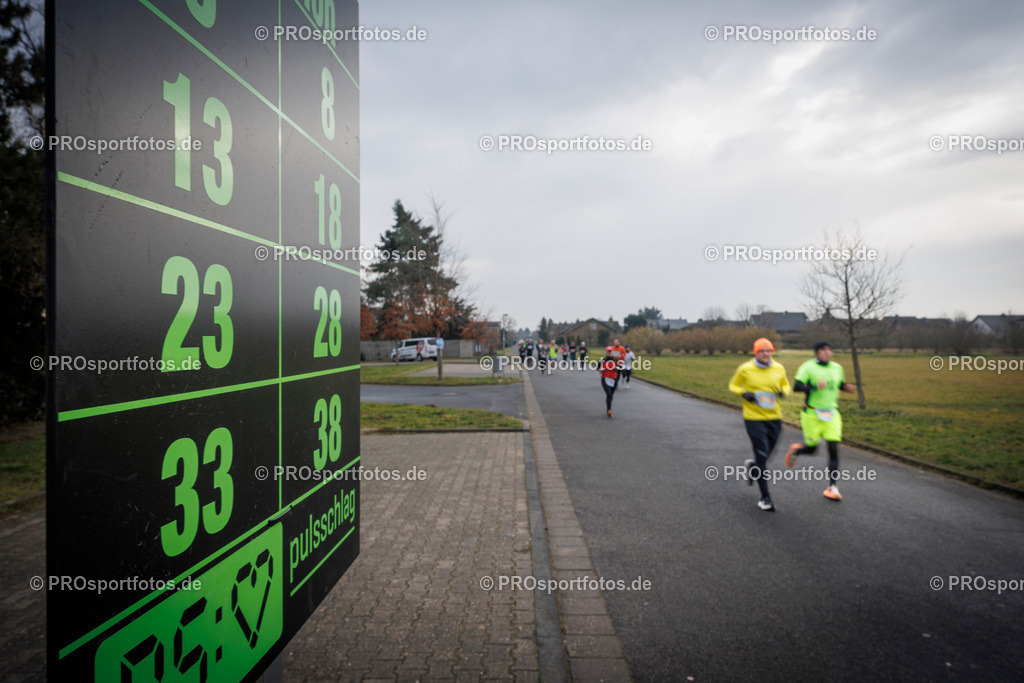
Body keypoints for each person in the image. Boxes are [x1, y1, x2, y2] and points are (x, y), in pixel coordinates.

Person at [784, 342, 855, 502]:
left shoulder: (837, 368)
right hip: (812, 414)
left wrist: (846, 387)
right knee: (812, 449)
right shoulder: (808, 367)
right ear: (816, 353)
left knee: (833, 448)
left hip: (832, 413)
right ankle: (797, 451)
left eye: (829, 350)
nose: (827, 352)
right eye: (823, 350)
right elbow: (797, 387)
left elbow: (838, 384)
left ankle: (832, 487)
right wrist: (814, 386)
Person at [728, 338, 790, 512]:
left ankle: (753, 467)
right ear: (756, 353)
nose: (766, 354)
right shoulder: (745, 369)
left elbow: (786, 385)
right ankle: (765, 498)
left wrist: (783, 392)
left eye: (768, 351)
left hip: (774, 418)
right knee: (762, 454)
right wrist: (743, 393)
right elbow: (733, 385)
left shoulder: (778, 368)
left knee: (768, 453)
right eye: (762, 351)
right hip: (753, 418)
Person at [599, 346, 619, 417]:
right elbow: (598, 368)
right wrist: (600, 370)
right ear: (606, 352)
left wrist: (616, 368)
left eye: (610, 352)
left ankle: (608, 409)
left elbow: (620, 368)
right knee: (609, 393)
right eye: (608, 352)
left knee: (610, 395)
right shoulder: (603, 360)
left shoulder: (615, 360)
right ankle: (609, 409)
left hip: (613, 379)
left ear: (612, 352)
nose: (609, 353)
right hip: (605, 378)